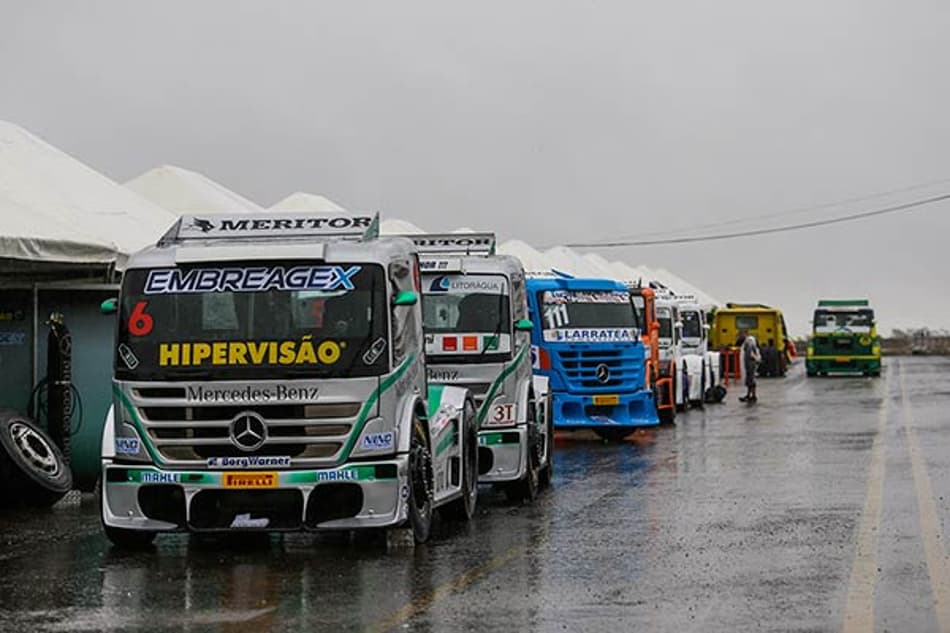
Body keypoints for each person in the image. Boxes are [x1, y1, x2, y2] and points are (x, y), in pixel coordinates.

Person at [736, 329, 761, 403]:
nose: (739, 337)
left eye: (740, 335)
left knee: (751, 379)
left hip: (750, 363)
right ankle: (749, 395)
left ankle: (753, 396)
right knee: (749, 379)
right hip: (749, 362)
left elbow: (751, 353)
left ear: (745, 334)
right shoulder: (748, 340)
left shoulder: (749, 341)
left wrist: (752, 361)